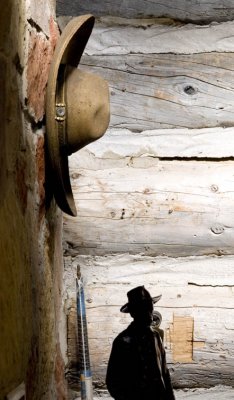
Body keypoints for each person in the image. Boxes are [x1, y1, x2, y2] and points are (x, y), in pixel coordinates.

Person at [106, 286, 175, 400]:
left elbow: (165, 373)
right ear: (133, 313)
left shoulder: (156, 337)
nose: (149, 313)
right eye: (143, 309)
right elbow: (113, 383)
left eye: (150, 307)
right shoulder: (123, 341)